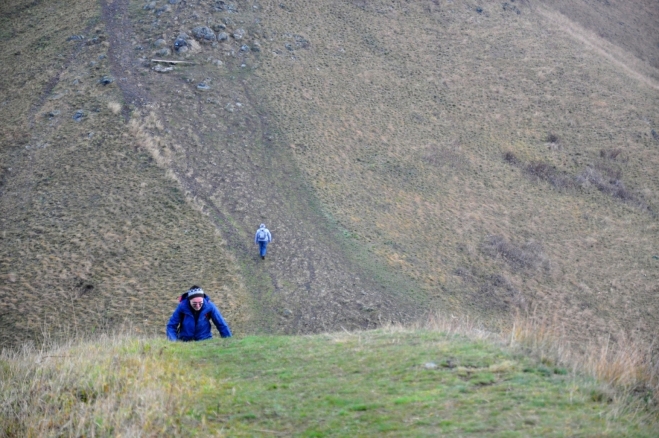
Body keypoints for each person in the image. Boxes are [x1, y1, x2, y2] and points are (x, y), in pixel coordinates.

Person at [166, 285, 232, 341]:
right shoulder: (182, 307)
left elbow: (221, 324)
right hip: (185, 342)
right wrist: (174, 342)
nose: (197, 306)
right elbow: (171, 326)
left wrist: (229, 342)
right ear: (189, 300)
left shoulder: (210, 306)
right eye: (194, 303)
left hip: (205, 341)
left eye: (200, 303)